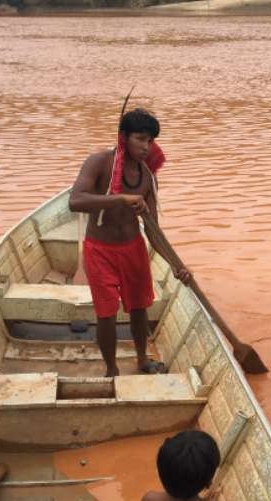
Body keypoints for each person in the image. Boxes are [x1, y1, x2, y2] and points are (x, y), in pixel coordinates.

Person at [69, 108, 190, 377]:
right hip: (100, 250)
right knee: (107, 313)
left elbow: (153, 229)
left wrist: (175, 265)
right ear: (124, 137)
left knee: (139, 308)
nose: (146, 147)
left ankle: (141, 359)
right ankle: (111, 369)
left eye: (150, 141)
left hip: (133, 248)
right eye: (140, 139)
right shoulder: (99, 162)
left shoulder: (148, 176)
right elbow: (75, 201)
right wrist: (121, 198)